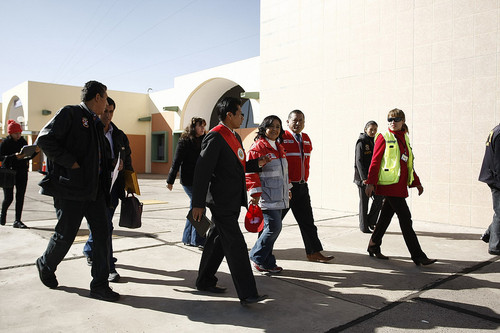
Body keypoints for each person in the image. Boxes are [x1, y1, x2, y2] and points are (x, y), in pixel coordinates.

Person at [35, 81, 120, 302]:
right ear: (98, 97)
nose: (106, 104)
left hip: (95, 192)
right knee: (66, 235)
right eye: (105, 98)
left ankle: (100, 285)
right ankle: (46, 264)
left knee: (102, 234)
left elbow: (96, 155)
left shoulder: (95, 123)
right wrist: (71, 163)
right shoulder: (71, 114)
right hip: (70, 190)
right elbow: (44, 139)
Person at [191, 97, 269, 306]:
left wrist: (256, 164)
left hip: (232, 200)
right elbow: (202, 171)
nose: (243, 117)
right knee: (236, 246)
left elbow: (235, 166)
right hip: (221, 202)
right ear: (229, 115)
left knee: (217, 242)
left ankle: (205, 280)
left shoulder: (232, 136)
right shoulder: (216, 137)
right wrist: (197, 203)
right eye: (240, 113)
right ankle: (247, 292)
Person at [365, 108, 436, 266]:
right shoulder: (384, 137)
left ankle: (373, 245)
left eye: (396, 119)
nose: (393, 122)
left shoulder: (404, 137)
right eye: (390, 119)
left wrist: (416, 182)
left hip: (400, 187)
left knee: (384, 218)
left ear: (403, 121)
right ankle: (418, 256)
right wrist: (370, 182)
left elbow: (407, 163)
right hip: (390, 186)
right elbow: (375, 162)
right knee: (406, 219)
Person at [83, 97, 134, 282]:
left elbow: (127, 160)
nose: (108, 115)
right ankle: (109, 266)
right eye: (105, 111)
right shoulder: (89, 132)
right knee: (105, 227)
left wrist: (130, 185)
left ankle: (90, 249)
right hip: (94, 189)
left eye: (111, 111)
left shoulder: (119, 134)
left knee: (103, 226)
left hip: (112, 189)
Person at [281, 110, 334, 263]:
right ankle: (261, 251)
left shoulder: (306, 138)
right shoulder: (282, 137)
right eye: (295, 120)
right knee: (274, 223)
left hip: (302, 188)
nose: (298, 123)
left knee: (308, 222)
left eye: (301, 120)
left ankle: (313, 252)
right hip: (287, 188)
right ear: (288, 122)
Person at [246, 115, 291, 274]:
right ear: (264, 128)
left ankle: (267, 262)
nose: (275, 129)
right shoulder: (258, 147)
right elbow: (250, 171)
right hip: (266, 196)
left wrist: (288, 189)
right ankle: (256, 256)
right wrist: (254, 192)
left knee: (270, 230)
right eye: (271, 126)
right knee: (274, 228)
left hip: (279, 195)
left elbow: (284, 172)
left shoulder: (279, 147)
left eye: (278, 126)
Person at [166, 117, 206, 248]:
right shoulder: (184, 141)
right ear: (194, 127)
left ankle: (188, 238)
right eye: (200, 126)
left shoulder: (204, 140)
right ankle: (198, 240)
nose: (202, 129)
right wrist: (170, 180)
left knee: (194, 206)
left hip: (200, 179)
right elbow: (176, 161)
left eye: (204, 126)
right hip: (188, 180)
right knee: (199, 206)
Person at [0, 120, 39, 228]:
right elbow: (1, 157)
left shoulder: (22, 142)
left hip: (22, 172)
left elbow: (27, 156)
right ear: (10, 133)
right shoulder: (5, 143)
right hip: (9, 173)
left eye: (19, 133)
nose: (18, 135)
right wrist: (14, 156)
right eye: (16, 133)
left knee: (20, 196)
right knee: (9, 198)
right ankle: (2, 215)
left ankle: (17, 220)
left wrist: (35, 152)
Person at [354, 120, 383, 233]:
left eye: (375, 129)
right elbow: (359, 161)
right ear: (365, 129)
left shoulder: (375, 141)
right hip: (363, 179)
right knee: (364, 203)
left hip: (373, 178)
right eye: (371, 129)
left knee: (379, 198)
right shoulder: (361, 142)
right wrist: (364, 178)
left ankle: (371, 221)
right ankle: (364, 226)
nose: (373, 131)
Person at [478, 123, 500, 255]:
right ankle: (495, 246)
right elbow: (498, 162)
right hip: (496, 178)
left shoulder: (496, 130)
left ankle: (488, 234)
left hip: (492, 176)